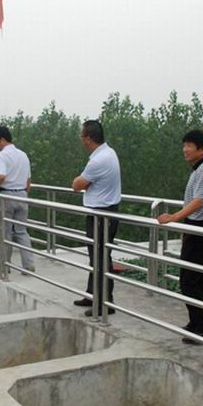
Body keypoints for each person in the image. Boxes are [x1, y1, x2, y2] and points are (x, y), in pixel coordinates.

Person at [158, 130, 203, 344]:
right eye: (184, 145)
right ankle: (196, 322)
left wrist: (174, 217)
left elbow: (200, 200)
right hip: (195, 227)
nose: (184, 149)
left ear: (202, 149)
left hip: (201, 229)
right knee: (192, 279)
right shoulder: (200, 169)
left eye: (189, 145)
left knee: (191, 280)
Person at [71, 120, 121, 317]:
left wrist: (83, 182)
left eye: (82, 135)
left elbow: (77, 184)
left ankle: (104, 303)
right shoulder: (108, 153)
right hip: (104, 212)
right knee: (98, 257)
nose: (81, 139)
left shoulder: (98, 160)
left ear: (88, 138)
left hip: (101, 214)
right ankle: (93, 294)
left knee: (100, 258)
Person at [0, 126, 36, 274]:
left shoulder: (1, 156)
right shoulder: (23, 155)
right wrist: (24, 193)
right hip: (22, 194)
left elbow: (1, 176)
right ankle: (28, 265)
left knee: (5, 232)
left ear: (2, 140)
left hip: (7, 195)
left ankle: (5, 265)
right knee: (21, 231)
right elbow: (28, 180)